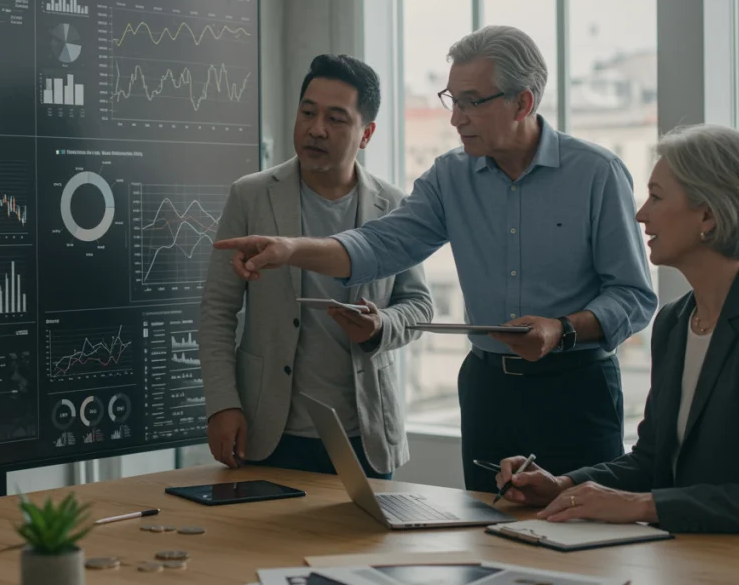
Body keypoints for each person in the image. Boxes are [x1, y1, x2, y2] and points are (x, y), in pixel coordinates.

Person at [213, 26, 658, 492]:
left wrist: (562, 329)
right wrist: (291, 249)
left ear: (523, 103)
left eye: (471, 102)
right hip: (489, 391)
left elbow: (633, 296)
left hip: (576, 388)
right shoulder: (450, 176)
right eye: (453, 100)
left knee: (586, 534)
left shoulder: (596, 174)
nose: (456, 119)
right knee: (486, 537)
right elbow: (381, 245)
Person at [493, 125, 739, 534]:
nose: (641, 213)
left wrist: (640, 505)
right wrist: (561, 486)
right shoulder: (674, 323)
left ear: (707, 215)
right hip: (684, 557)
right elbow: (651, 461)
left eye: (656, 196)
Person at [200, 54, 433, 480]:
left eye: (336, 118)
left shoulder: (394, 206)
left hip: (365, 435)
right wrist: (223, 404)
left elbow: (418, 305)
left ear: (367, 134)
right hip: (267, 428)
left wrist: (381, 325)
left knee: (364, 546)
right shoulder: (251, 196)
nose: (316, 129)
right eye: (307, 112)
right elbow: (217, 310)